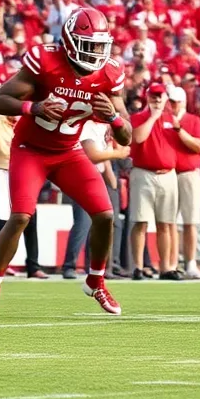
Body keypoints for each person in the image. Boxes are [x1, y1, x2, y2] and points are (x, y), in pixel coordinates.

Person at [0, 7, 131, 317]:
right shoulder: (45, 61)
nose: (95, 53)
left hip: (69, 152)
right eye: (89, 45)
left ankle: (96, 281)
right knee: (20, 216)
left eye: (100, 45)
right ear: (71, 42)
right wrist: (35, 107)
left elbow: (126, 137)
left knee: (105, 215)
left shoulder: (110, 74)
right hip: (30, 149)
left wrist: (112, 116)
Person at [62, 119, 129, 280]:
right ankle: (69, 266)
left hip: (96, 176)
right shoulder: (87, 125)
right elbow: (93, 155)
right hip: (81, 176)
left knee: (106, 223)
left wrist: (111, 180)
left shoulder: (102, 128)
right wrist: (118, 153)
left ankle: (103, 268)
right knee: (83, 223)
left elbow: (103, 158)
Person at [0, 110, 44, 278]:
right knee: (0, 222)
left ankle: (33, 266)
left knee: (30, 219)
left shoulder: (28, 121)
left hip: (23, 173)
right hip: (2, 171)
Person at [129, 83, 180, 280]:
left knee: (165, 223)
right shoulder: (138, 118)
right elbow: (138, 138)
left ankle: (165, 267)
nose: (157, 100)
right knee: (141, 221)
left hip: (167, 174)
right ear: (147, 97)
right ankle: (138, 267)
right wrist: (153, 117)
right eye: (154, 96)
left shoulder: (172, 119)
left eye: (160, 96)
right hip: (144, 173)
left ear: (166, 98)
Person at [168, 86, 200, 279]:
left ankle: (190, 264)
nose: (172, 105)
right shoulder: (163, 120)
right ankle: (172, 263)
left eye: (175, 102)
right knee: (169, 222)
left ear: (182, 102)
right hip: (168, 173)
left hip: (188, 173)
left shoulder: (193, 120)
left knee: (190, 221)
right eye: (171, 101)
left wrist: (180, 131)